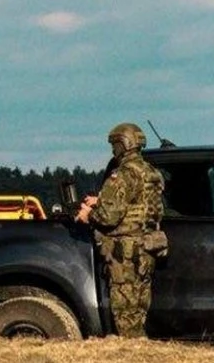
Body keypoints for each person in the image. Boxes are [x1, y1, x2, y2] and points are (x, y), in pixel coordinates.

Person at [77, 122, 166, 337]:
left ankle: (131, 348)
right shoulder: (151, 173)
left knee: (125, 311)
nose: (113, 151)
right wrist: (101, 200)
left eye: (114, 145)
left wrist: (89, 215)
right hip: (146, 248)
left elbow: (108, 217)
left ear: (123, 144)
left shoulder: (123, 175)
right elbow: (140, 204)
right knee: (139, 307)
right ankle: (138, 345)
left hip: (126, 253)